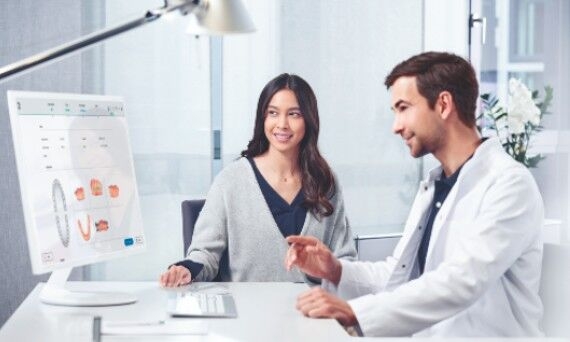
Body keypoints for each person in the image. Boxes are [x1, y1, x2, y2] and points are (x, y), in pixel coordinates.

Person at [284, 52, 544, 337]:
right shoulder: (435, 186)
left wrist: (355, 312)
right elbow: (399, 275)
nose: (396, 126)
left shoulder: (509, 184)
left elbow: (462, 281)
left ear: (443, 104)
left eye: (403, 108)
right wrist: (335, 270)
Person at [160, 73, 357, 286]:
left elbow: (345, 259)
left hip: (311, 311)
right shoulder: (231, 180)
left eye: (294, 114)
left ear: (308, 120)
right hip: (248, 313)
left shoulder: (325, 181)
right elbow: (205, 254)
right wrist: (185, 269)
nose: (282, 124)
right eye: (273, 113)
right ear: (263, 118)